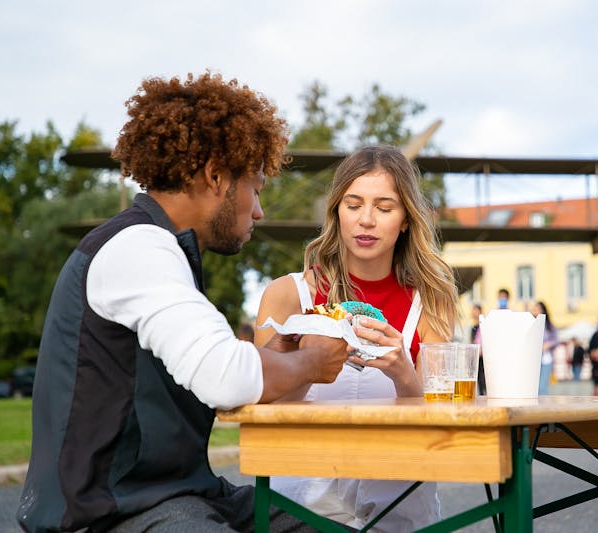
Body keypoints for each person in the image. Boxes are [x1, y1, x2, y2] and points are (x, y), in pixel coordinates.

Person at [17, 72, 352, 533]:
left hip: (174, 495)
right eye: (255, 188)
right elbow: (226, 378)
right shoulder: (139, 247)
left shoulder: (161, 249)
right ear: (215, 176)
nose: (259, 210)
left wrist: (274, 357)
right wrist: (314, 362)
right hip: (107, 512)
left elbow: (209, 367)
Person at [255, 145, 459, 532]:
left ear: (405, 220)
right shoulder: (286, 295)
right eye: (353, 205)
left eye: (384, 208)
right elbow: (261, 416)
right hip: (303, 505)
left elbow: (440, 424)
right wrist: (306, 362)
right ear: (336, 212)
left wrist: (403, 372)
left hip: (400, 505)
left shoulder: (431, 302)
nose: (366, 220)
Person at [531, 300, 558, 395]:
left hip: (546, 359)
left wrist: (548, 344)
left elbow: (556, 340)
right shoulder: (530, 323)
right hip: (533, 360)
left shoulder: (549, 326)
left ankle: (542, 404)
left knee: (542, 387)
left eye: (537, 308)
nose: (535, 310)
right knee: (533, 387)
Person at [470, 303, 486, 395]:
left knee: (483, 378)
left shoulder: (484, 326)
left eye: (476, 311)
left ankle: (484, 394)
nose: (474, 313)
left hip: (483, 357)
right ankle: (481, 394)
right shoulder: (474, 328)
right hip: (477, 357)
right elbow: (472, 341)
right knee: (478, 378)